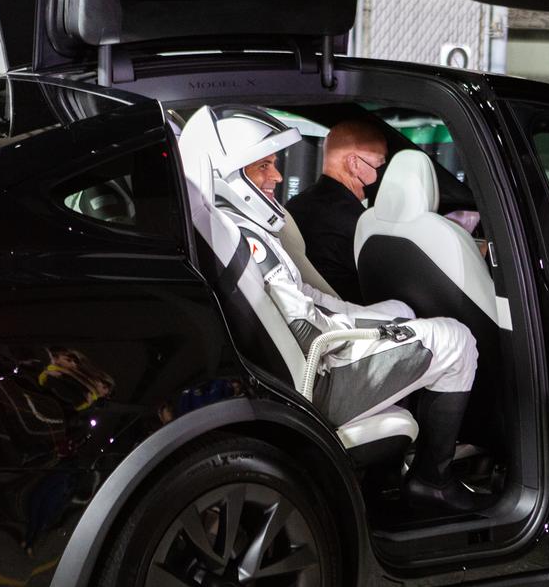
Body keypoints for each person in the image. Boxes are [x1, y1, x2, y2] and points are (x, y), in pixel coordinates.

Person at [179, 105, 488, 514]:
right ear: (232, 172)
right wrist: (381, 331)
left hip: (305, 359)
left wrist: (389, 319)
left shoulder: (233, 226)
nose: (276, 177)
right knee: (458, 340)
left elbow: (308, 301)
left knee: (402, 309)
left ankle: (387, 480)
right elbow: (312, 331)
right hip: (319, 382)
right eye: (264, 166)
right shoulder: (251, 238)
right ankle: (432, 481)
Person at [285, 118, 389, 302]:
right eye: (380, 163)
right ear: (354, 163)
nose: (383, 171)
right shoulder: (355, 222)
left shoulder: (296, 204)